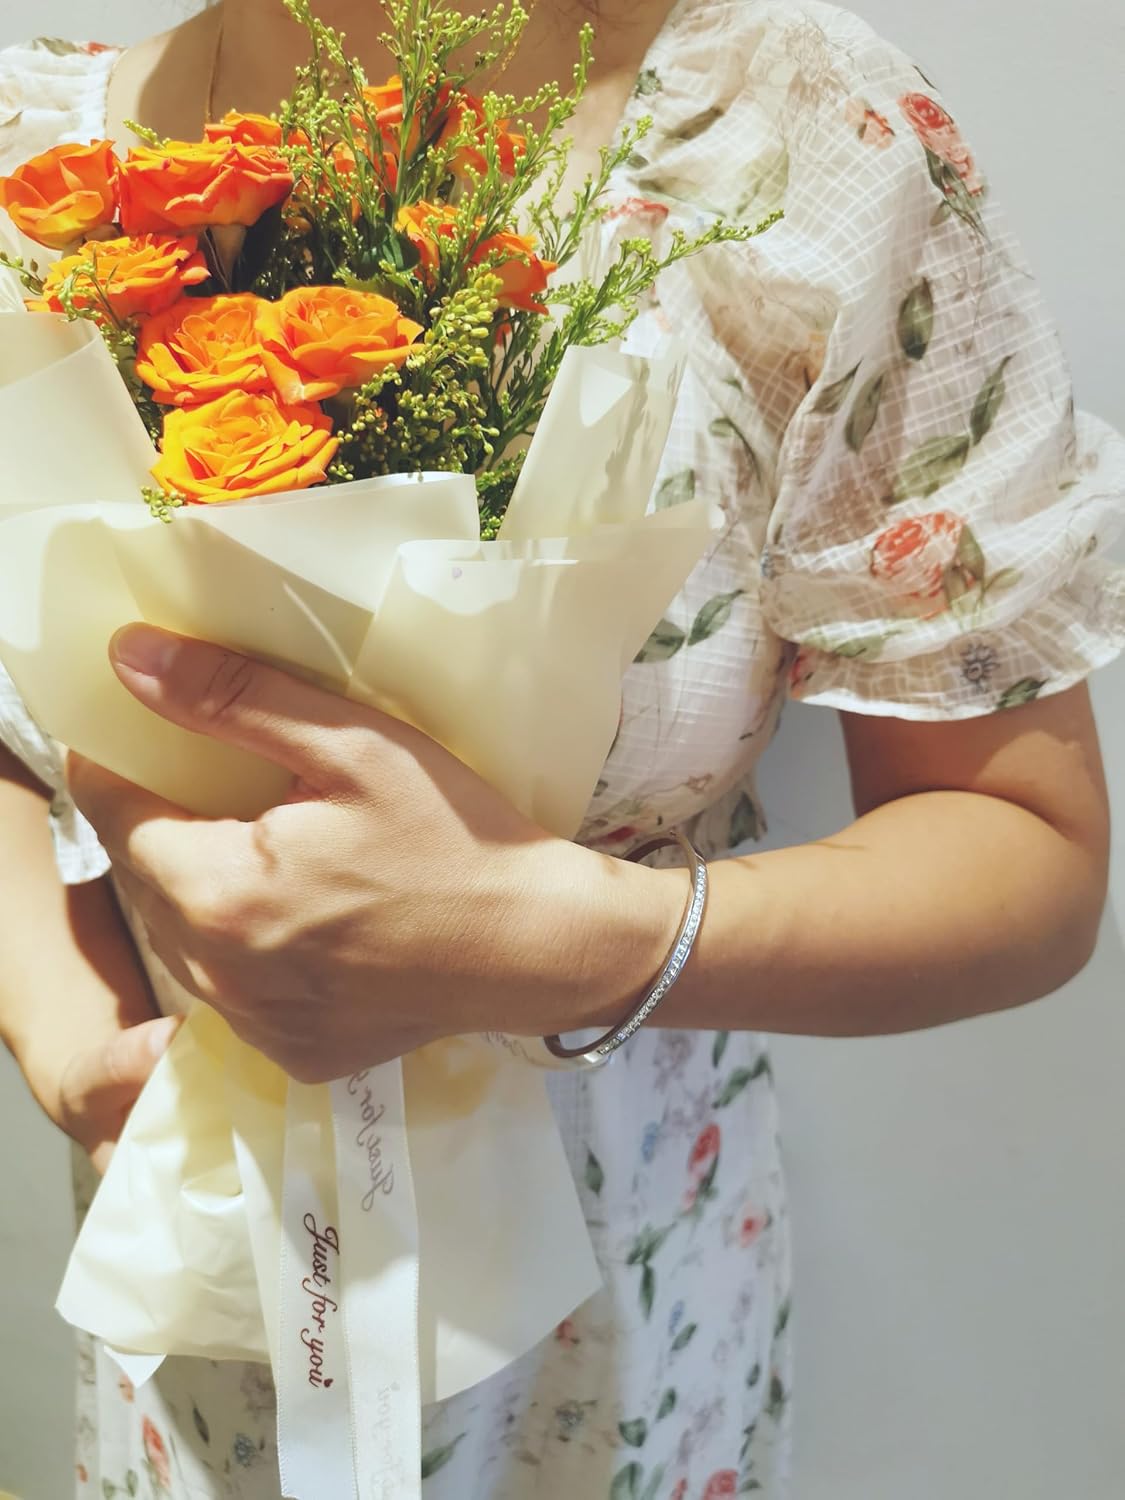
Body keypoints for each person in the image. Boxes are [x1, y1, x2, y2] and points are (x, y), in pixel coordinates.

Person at [1, 0, 1123, 1494]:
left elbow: (1023, 863)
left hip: (616, 1310)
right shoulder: (35, 162)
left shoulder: (789, 136)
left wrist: (567, 936)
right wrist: (68, 1031)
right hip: (195, 1295)